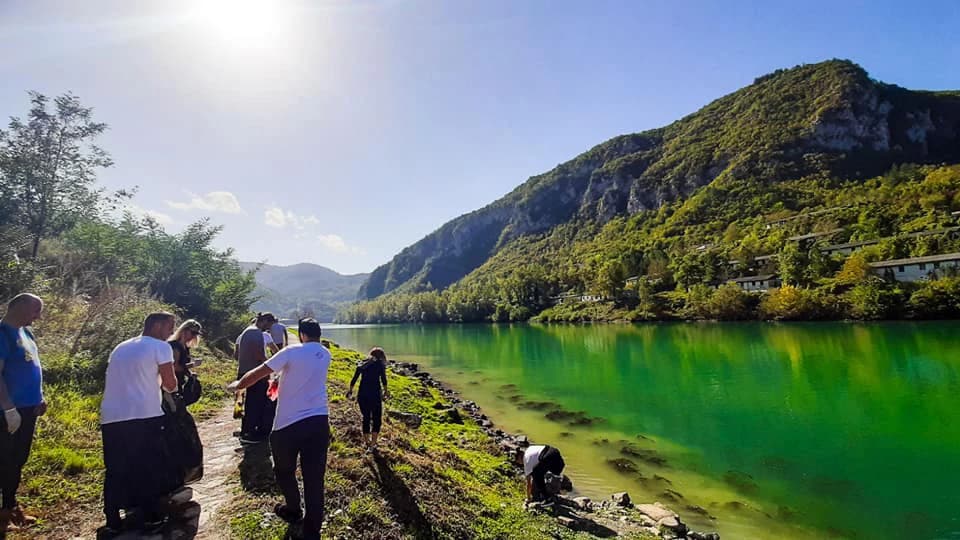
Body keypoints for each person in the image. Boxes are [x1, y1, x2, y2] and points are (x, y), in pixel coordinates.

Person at [227, 318, 331, 540]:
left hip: (288, 424)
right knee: (315, 478)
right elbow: (303, 376)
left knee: (284, 470)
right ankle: (312, 531)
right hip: (319, 422)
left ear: (301, 334)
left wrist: (238, 385)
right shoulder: (325, 354)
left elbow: (259, 372)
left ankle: (293, 509)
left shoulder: (292, 352)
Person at [99, 312, 179, 535]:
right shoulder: (161, 347)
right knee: (148, 466)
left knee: (115, 469)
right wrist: (171, 389)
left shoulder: (121, 347)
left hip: (112, 416)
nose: (172, 332)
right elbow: (170, 383)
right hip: (144, 414)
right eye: (170, 326)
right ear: (157, 325)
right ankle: (151, 518)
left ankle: (112, 520)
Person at [0, 293, 45, 533]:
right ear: (18, 307)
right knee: (5, 460)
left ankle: (9, 505)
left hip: (29, 409)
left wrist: (40, 397)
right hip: (8, 411)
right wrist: (8, 408)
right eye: (35, 310)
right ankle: (4, 512)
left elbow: (31, 367)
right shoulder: (3, 334)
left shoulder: (26, 334)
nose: (38, 316)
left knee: (18, 460)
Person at [235, 312, 277, 443]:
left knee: (253, 402)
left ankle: (251, 430)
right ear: (264, 321)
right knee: (255, 403)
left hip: (248, 371)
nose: (269, 328)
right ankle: (250, 433)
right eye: (269, 324)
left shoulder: (249, 331)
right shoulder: (255, 332)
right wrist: (270, 365)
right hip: (254, 373)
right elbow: (258, 354)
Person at [346, 347, 389, 452]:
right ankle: (373, 444)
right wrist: (386, 391)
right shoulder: (380, 365)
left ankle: (367, 442)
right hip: (375, 395)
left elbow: (354, 379)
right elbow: (383, 379)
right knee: (376, 419)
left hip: (363, 395)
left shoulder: (362, 364)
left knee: (366, 417)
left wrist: (350, 391)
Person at [168, 319, 204, 390]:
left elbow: (182, 366)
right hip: (170, 385)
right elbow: (174, 367)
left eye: (196, 334)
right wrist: (192, 365)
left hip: (179, 383)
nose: (194, 336)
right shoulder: (175, 346)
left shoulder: (185, 347)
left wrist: (190, 373)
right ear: (184, 330)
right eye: (193, 333)